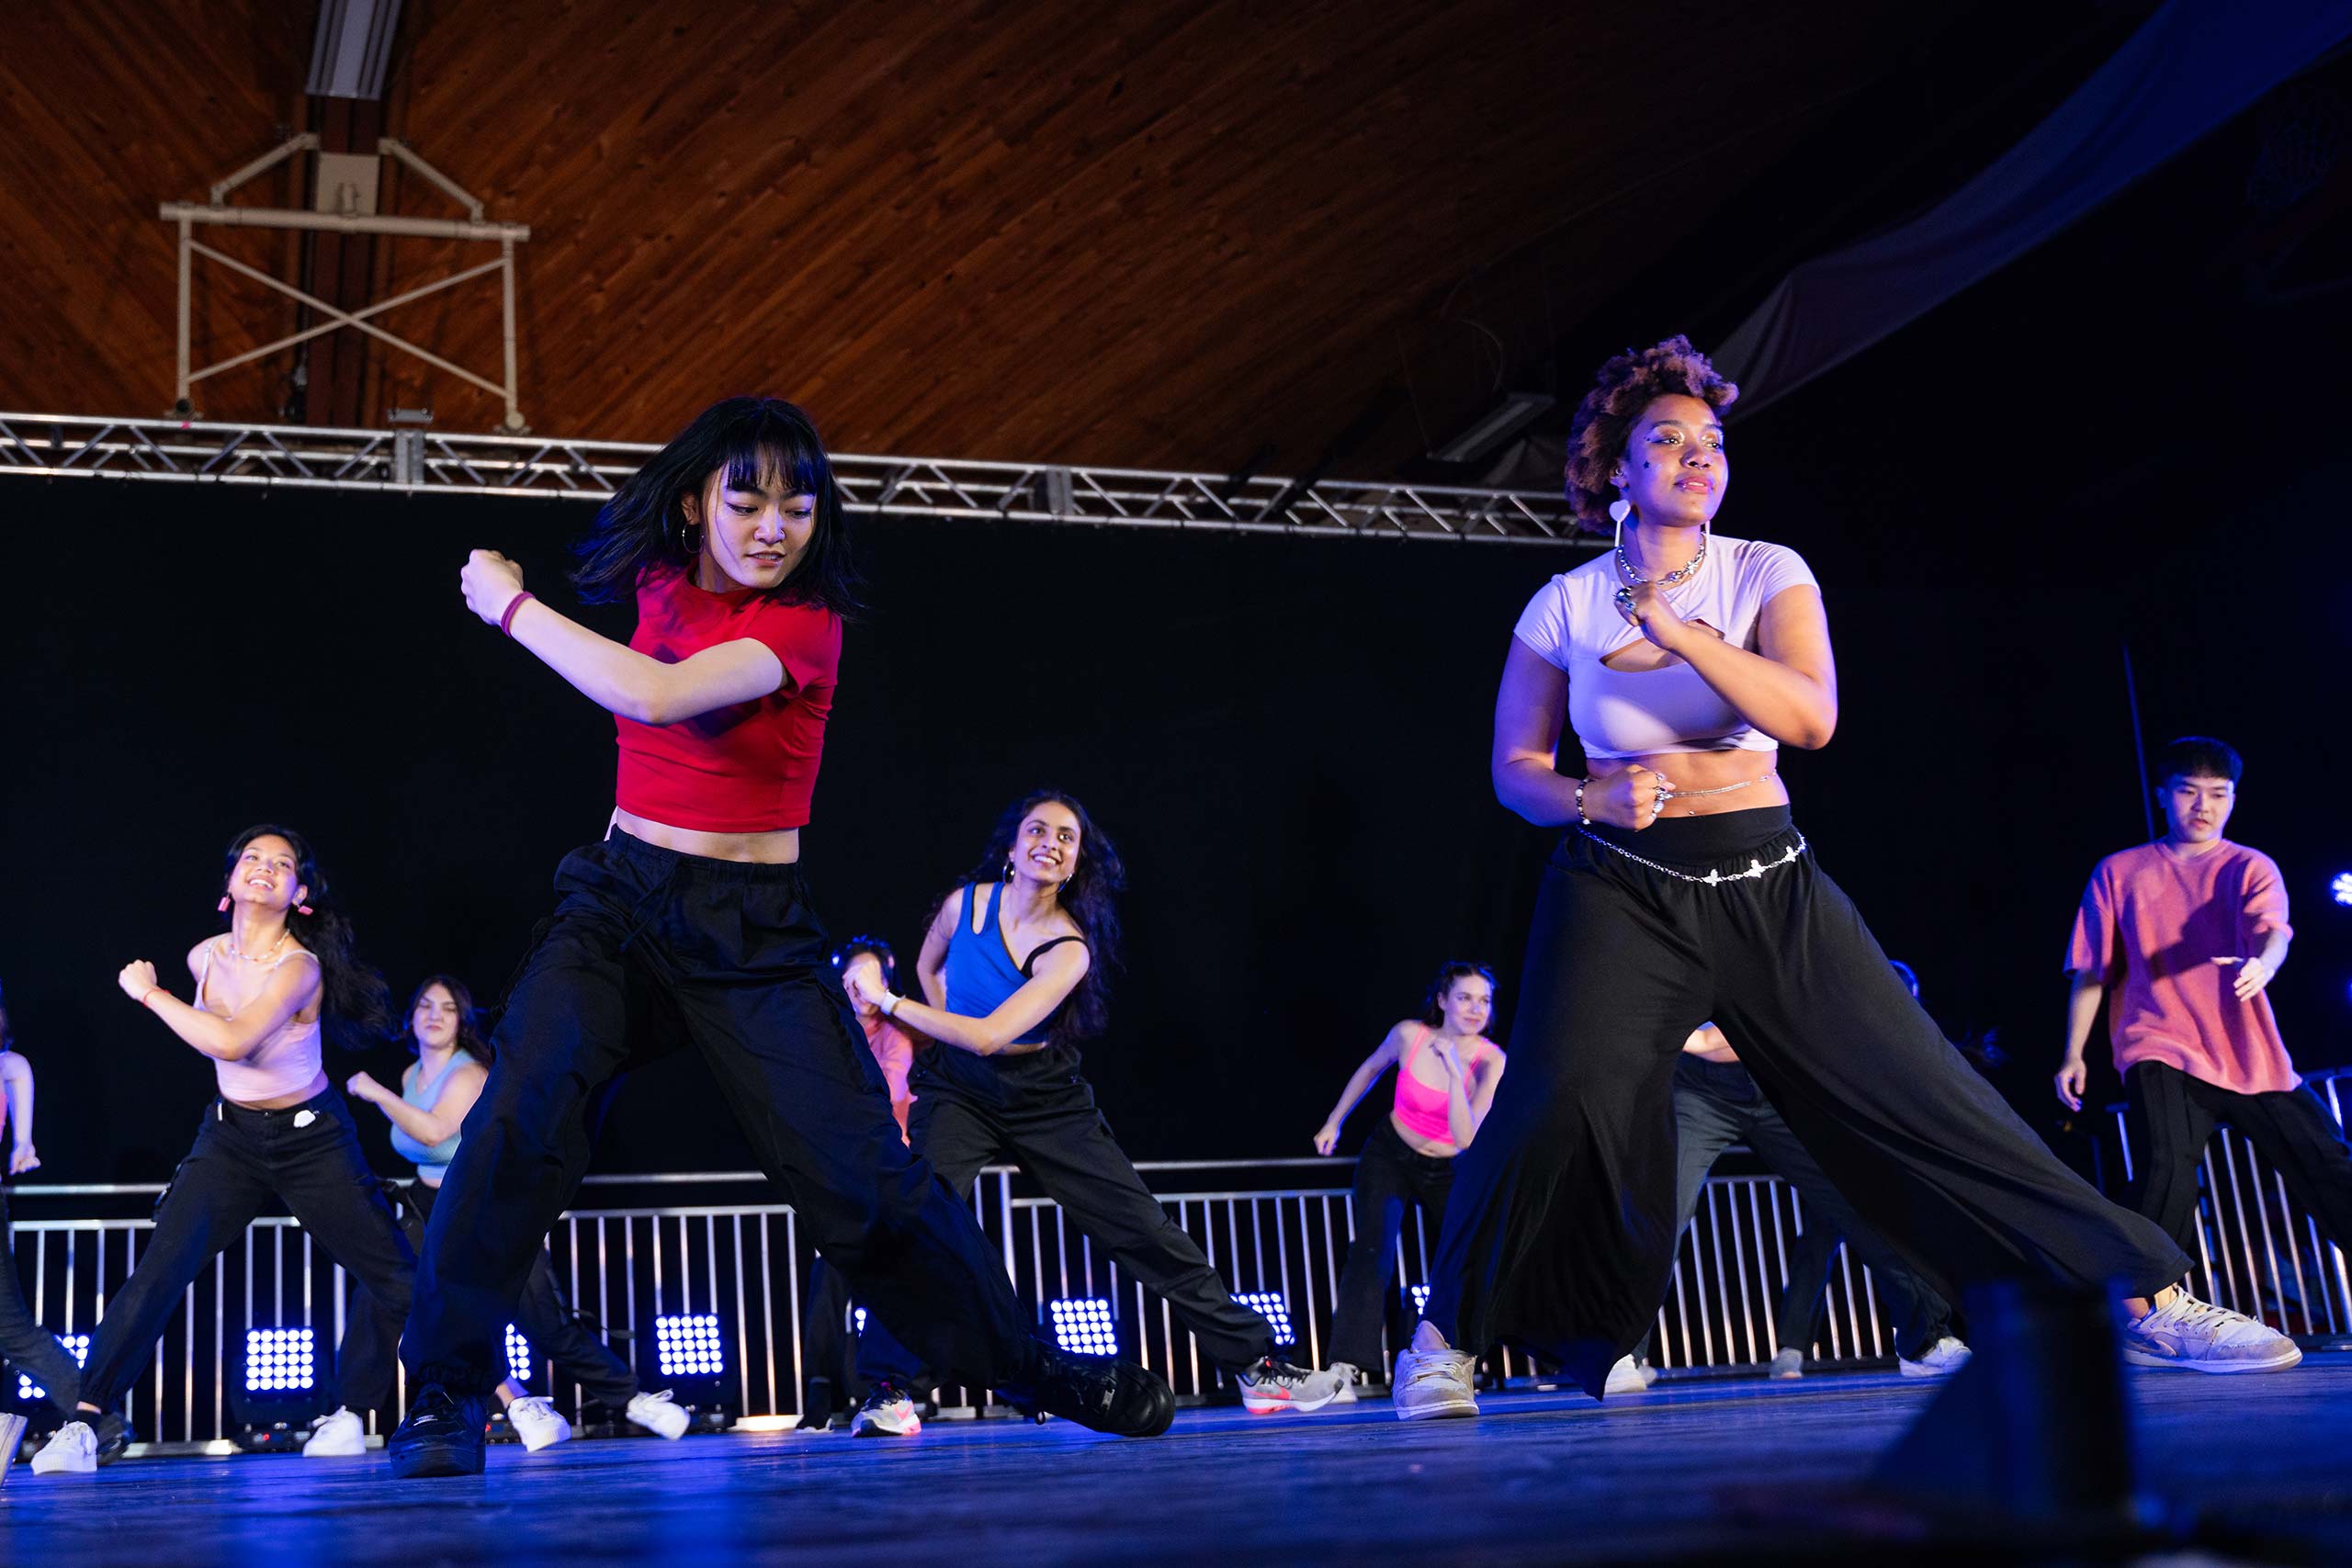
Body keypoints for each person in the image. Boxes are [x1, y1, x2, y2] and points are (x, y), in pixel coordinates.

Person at [1392, 337, 2297, 1423]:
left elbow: (1808, 718)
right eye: (1665, 443)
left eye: (1711, 444)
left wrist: (1679, 633)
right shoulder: (1563, 604)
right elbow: (1515, 770)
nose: (1695, 459)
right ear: (1614, 473)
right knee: (1549, 1101)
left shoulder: (1765, 571)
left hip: (1768, 877)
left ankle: (2145, 1296)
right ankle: (1442, 1344)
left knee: (1924, 1089)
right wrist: (1589, 800)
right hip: (1616, 885)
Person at [390, 399, 1170, 1479]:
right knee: (518, 1120)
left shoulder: (805, 626)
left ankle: (1036, 1370)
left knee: (863, 1178)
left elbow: (654, 695)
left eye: (798, 507)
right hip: (616, 903)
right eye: (746, 500)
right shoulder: (659, 577)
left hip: (751, 929)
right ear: (695, 504)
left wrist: (507, 603)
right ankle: (443, 1397)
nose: (772, 527)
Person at [842, 790, 1347, 1436]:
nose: (1049, 841)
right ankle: (890, 1388)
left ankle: (1256, 1365)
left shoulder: (1067, 946)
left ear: (1077, 860)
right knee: (920, 1219)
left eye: (1065, 836)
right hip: (958, 1088)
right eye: (1037, 829)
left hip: (1041, 1094)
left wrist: (890, 1003)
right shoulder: (963, 904)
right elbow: (929, 963)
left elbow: (994, 1034)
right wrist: (946, 1022)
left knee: (1139, 1225)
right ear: (1012, 844)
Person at [36, 827, 419, 1472]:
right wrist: (171, 992)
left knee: (392, 1270)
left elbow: (233, 1040)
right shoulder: (203, 956)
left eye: (283, 864)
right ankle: (84, 1421)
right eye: (252, 858)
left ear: (300, 893)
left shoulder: (299, 966)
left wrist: (148, 993)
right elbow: (218, 1039)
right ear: (230, 884)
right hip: (231, 1137)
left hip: (312, 1137)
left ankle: (506, 1394)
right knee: (161, 1267)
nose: (264, 868)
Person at [2056, 736, 2352, 1313]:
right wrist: (2074, 1053)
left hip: (2247, 1052)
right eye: (2189, 792)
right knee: (2166, 1167)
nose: (2203, 806)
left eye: (2218, 794)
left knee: (2326, 1161)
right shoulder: (2120, 871)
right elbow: (2091, 969)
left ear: (2233, 799)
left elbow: (2274, 931)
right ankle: (2142, 1307)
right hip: (2158, 1042)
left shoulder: (2249, 866)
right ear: (2163, 795)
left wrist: (2262, 965)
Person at [339, 976, 691, 1451]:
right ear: (411, 1019)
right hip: (428, 1204)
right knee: (384, 1294)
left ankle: (631, 1398)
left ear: (462, 1021)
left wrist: (376, 1094)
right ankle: (351, 1414)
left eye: (447, 1007)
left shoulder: (468, 1073)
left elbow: (435, 1133)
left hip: (489, 1204)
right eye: (424, 1006)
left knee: (543, 1321)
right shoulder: (410, 1077)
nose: (434, 1015)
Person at [1617, 1021, 1968, 1391]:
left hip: (1783, 1086)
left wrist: (1695, 1038)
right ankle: (1622, 1350)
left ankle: (1925, 1344)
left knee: (1865, 1202)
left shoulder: (1793, 963)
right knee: (1662, 1212)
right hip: (1700, 1090)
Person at [1310, 962, 1506, 1394]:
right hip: (1392, 1153)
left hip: (1450, 1165)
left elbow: (1465, 1135)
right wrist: (1334, 1121)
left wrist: (1457, 1074)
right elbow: (1369, 1070)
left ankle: (1459, 1355)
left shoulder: (1491, 1060)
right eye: (1464, 998)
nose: (1475, 1009)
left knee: (1465, 1256)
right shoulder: (1409, 1035)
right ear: (1442, 1000)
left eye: (1484, 1000)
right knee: (1371, 1251)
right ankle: (1348, 1366)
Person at [798, 937, 919, 1424]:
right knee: (828, 1282)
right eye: (855, 977)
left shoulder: (894, 1033)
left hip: (886, 1176)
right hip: (838, 1178)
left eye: (874, 978)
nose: (864, 987)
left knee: (887, 1286)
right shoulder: (827, 1032)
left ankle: (886, 1390)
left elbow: (885, 1090)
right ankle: (819, 1395)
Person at [2, 985, 88, 1426]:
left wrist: (23, 1145)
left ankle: (97, 1417)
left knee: (12, 1329)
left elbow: (22, 1130)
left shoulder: (8, 1064)